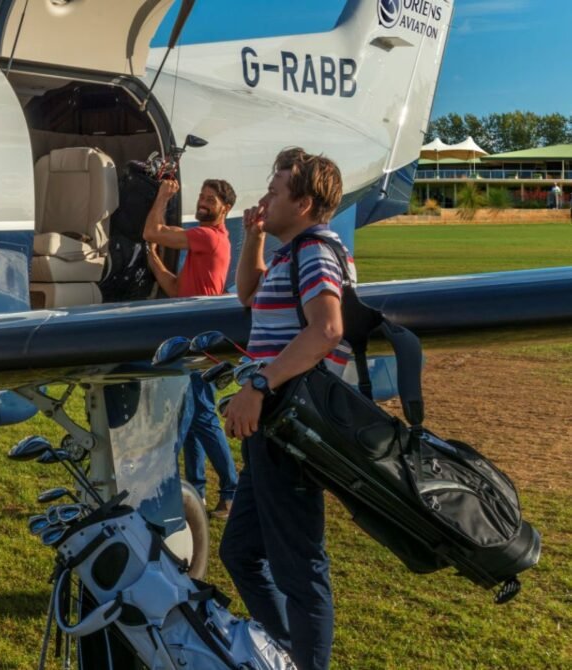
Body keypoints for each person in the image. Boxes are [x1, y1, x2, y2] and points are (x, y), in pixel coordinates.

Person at [218, 147, 354, 670]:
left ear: (303, 202)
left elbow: (327, 330)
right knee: (240, 554)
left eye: (275, 192)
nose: (264, 199)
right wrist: (252, 234)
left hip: (288, 425)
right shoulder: (289, 252)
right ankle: (293, 654)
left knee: (301, 569)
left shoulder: (315, 251)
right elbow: (246, 296)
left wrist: (258, 383)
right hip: (270, 430)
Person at [143, 177, 238, 518]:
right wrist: (153, 259)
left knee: (202, 416)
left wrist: (162, 195)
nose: (202, 202)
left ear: (225, 208)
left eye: (210, 198)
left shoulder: (208, 237)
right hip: (194, 338)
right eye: (201, 195)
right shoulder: (205, 243)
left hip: (201, 341)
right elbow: (175, 288)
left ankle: (231, 490)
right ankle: (195, 491)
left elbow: (152, 230)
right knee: (195, 416)